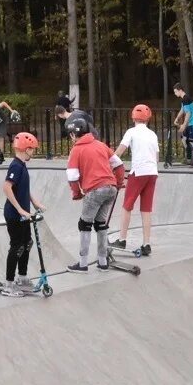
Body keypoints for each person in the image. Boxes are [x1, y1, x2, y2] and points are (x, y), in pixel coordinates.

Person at [65, 116, 125, 273]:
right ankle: (103, 262)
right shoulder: (100, 145)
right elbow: (119, 165)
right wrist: (118, 184)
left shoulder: (76, 150)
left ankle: (83, 264)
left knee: (84, 224)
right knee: (100, 224)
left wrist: (76, 193)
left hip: (95, 189)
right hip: (110, 188)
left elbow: (72, 176)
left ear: (73, 135)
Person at [0, 132, 46, 296]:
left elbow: (24, 189)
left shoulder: (22, 165)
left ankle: (22, 278)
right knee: (17, 246)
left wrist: (35, 202)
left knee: (27, 243)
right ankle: (8, 284)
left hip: (24, 214)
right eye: (32, 149)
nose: (33, 152)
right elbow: (6, 187)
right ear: (26, 149)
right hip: (14, 214)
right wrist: (19, 209)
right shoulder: (16, 166)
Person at [109, 104, 159, 256]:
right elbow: (156, 157)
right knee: (146, 208)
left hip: (138, 173)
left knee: (127, 206)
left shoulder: (131, 132)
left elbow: (119, 152)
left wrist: (109, 165)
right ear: (148, 119)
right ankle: (146, 243)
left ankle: (122, 240)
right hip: (152, 173)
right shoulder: (153, 135)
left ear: (133, 118)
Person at [172, 83, 193, 167]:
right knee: (184, 139)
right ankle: (188, 159)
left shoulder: (186, 99)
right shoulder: (183, 99)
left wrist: (184, 125)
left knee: (192, 142)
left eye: (176, 91)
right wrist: (177, 118)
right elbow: (182, 109)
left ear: (180, 90)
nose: (175, 93)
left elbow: (188, 113)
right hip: (189, 123)